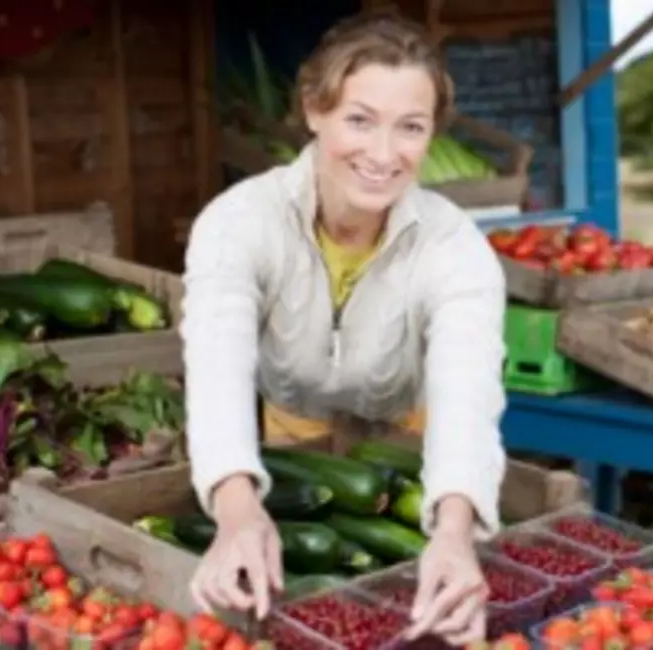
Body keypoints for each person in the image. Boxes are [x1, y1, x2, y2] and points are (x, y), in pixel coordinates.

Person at [180, 11, 507, 646]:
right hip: (291, 447)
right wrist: (237, 506)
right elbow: (216, 364)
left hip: (411, 457)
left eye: (410, 128)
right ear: (313, 110)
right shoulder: (239, 222)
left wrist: (453, 529)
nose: (383, 155)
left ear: (431, 132)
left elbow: (468, 393)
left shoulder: (455, 247)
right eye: (359, 120)